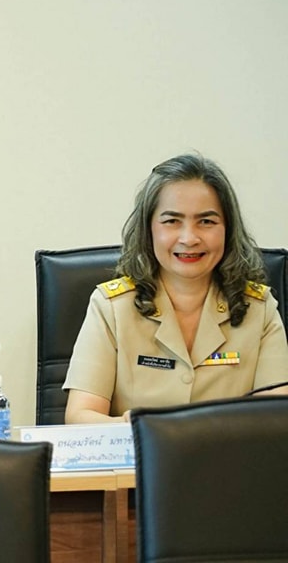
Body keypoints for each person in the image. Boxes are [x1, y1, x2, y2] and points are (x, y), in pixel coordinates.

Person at [64, 154, 288, 424]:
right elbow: (80, 417)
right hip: (137, 452)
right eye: (171, 221)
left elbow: (276, 420)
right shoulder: (111, 307)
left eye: (206, 221)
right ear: (148, 229)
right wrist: (145, 431)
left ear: (228, 229)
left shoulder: (259, 309)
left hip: (230, 453)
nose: (189, 238)